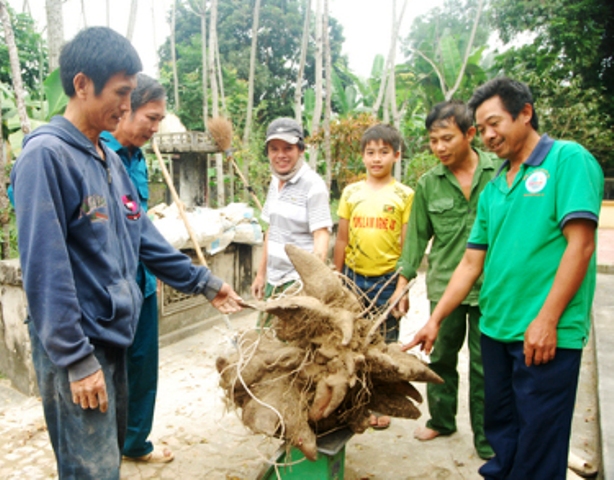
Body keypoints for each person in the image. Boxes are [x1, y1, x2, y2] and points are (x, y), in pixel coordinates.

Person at [10, 27, 243, 479]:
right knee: (90, 469)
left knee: (107, 459)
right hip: (79, 343)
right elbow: (45, 268)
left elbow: (144, 238)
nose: (126, 104)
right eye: (121, 92)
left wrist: (205, 282)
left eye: (130, 92)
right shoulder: (46, 157)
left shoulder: (109, 158)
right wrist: (77, 361)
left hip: (113, 336)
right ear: (81, 85)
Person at [404, 77, 604, 479]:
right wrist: (436, 319)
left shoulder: (567, 161)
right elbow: (469, 265)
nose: (489, 135)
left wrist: (546, 320)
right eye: (483, 128)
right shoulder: (496, 189)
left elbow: (579, 247)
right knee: (502, 432)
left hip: (546, 333)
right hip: (496, 329)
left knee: (539, 438)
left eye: (496, 123)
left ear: (525, 113)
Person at [392, 101, 496, 459]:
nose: (439, 148)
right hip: (445, 287)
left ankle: (487, 438)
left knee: (488, 366)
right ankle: (442, 420)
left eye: (446, 138)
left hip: (492, 290)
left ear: (470, 134)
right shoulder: (427, 184)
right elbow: (416, 239)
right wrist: (402, 283)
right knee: (439, 358)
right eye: (433, 141)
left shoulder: (500, 172)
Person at [99, 73, 171, 463]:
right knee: (106, 375)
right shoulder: (90, 149)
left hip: (141, 283)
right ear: (126, 108)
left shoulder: (138, 159)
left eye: (160, 120)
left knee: (143, 370)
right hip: (105, 293)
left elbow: (139, 223)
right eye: (151, 117)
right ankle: (103, 453)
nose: (155, 128)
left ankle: (135, 444)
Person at [333, 123, 414, 429]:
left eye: (383, 152)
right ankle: (356, 402)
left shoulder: (405, 195)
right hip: (353, 278)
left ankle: (383, 405)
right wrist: (338, 277)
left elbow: (408, 244)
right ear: (363, 156)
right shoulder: (351, 193)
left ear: (396, 155)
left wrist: (401, 286)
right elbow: (341, 239)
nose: (376, 158)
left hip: (388, 281)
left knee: (384, 344)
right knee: (353, 340)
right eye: (370, 152)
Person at [250, 118, 332, 311]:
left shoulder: (313, 185)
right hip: (274, 281)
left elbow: (321, 235)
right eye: (274, 149)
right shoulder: (275, 182)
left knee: (291, 341)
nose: (280, 155)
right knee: (267, 338)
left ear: (301, 150)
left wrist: (312, 283)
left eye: (288, 148)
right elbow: (271, 230)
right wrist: (261, 275)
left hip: (297, 284)